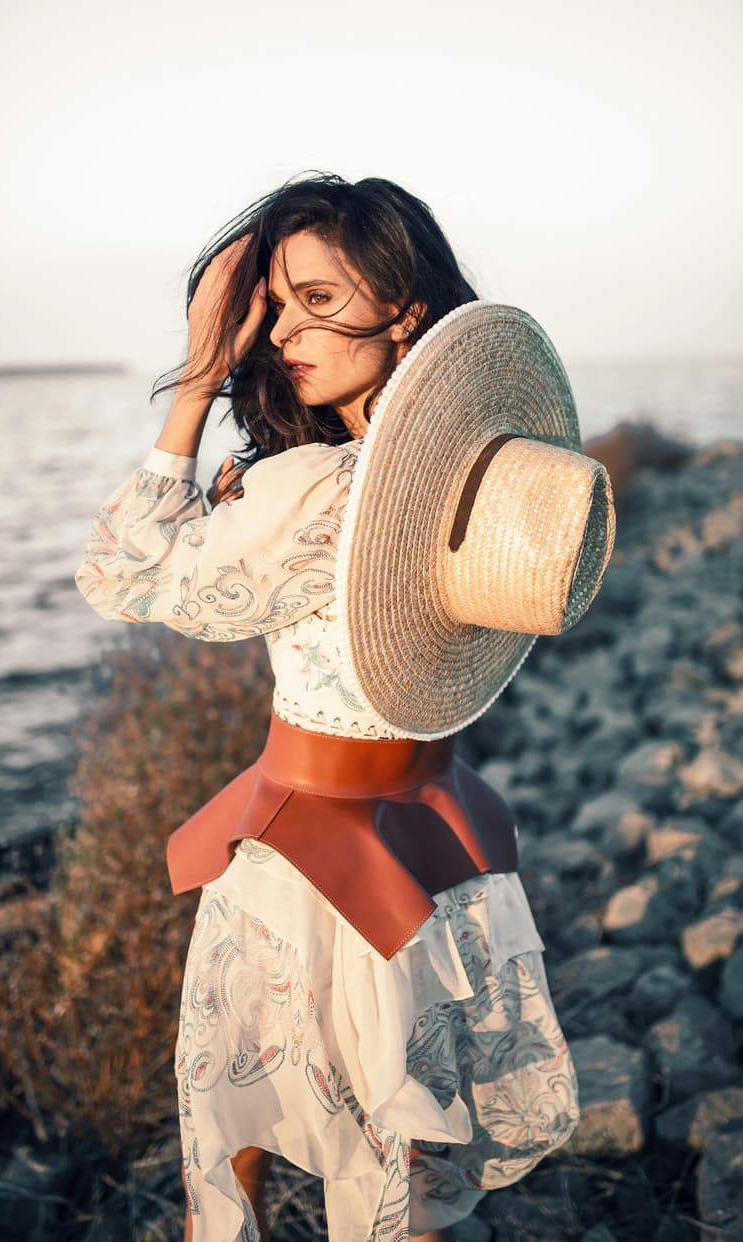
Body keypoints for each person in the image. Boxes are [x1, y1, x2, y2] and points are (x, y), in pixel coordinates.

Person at [75, 173, 593, 1242]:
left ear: (404, 313)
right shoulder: (476, 481)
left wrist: (195, 384)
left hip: (303, 864)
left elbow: (122, 579)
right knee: (401, 1145)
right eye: (272, 308)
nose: (281, 335)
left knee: (236, 1144)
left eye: (315, 300)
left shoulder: (312, 488)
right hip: (433, 838)